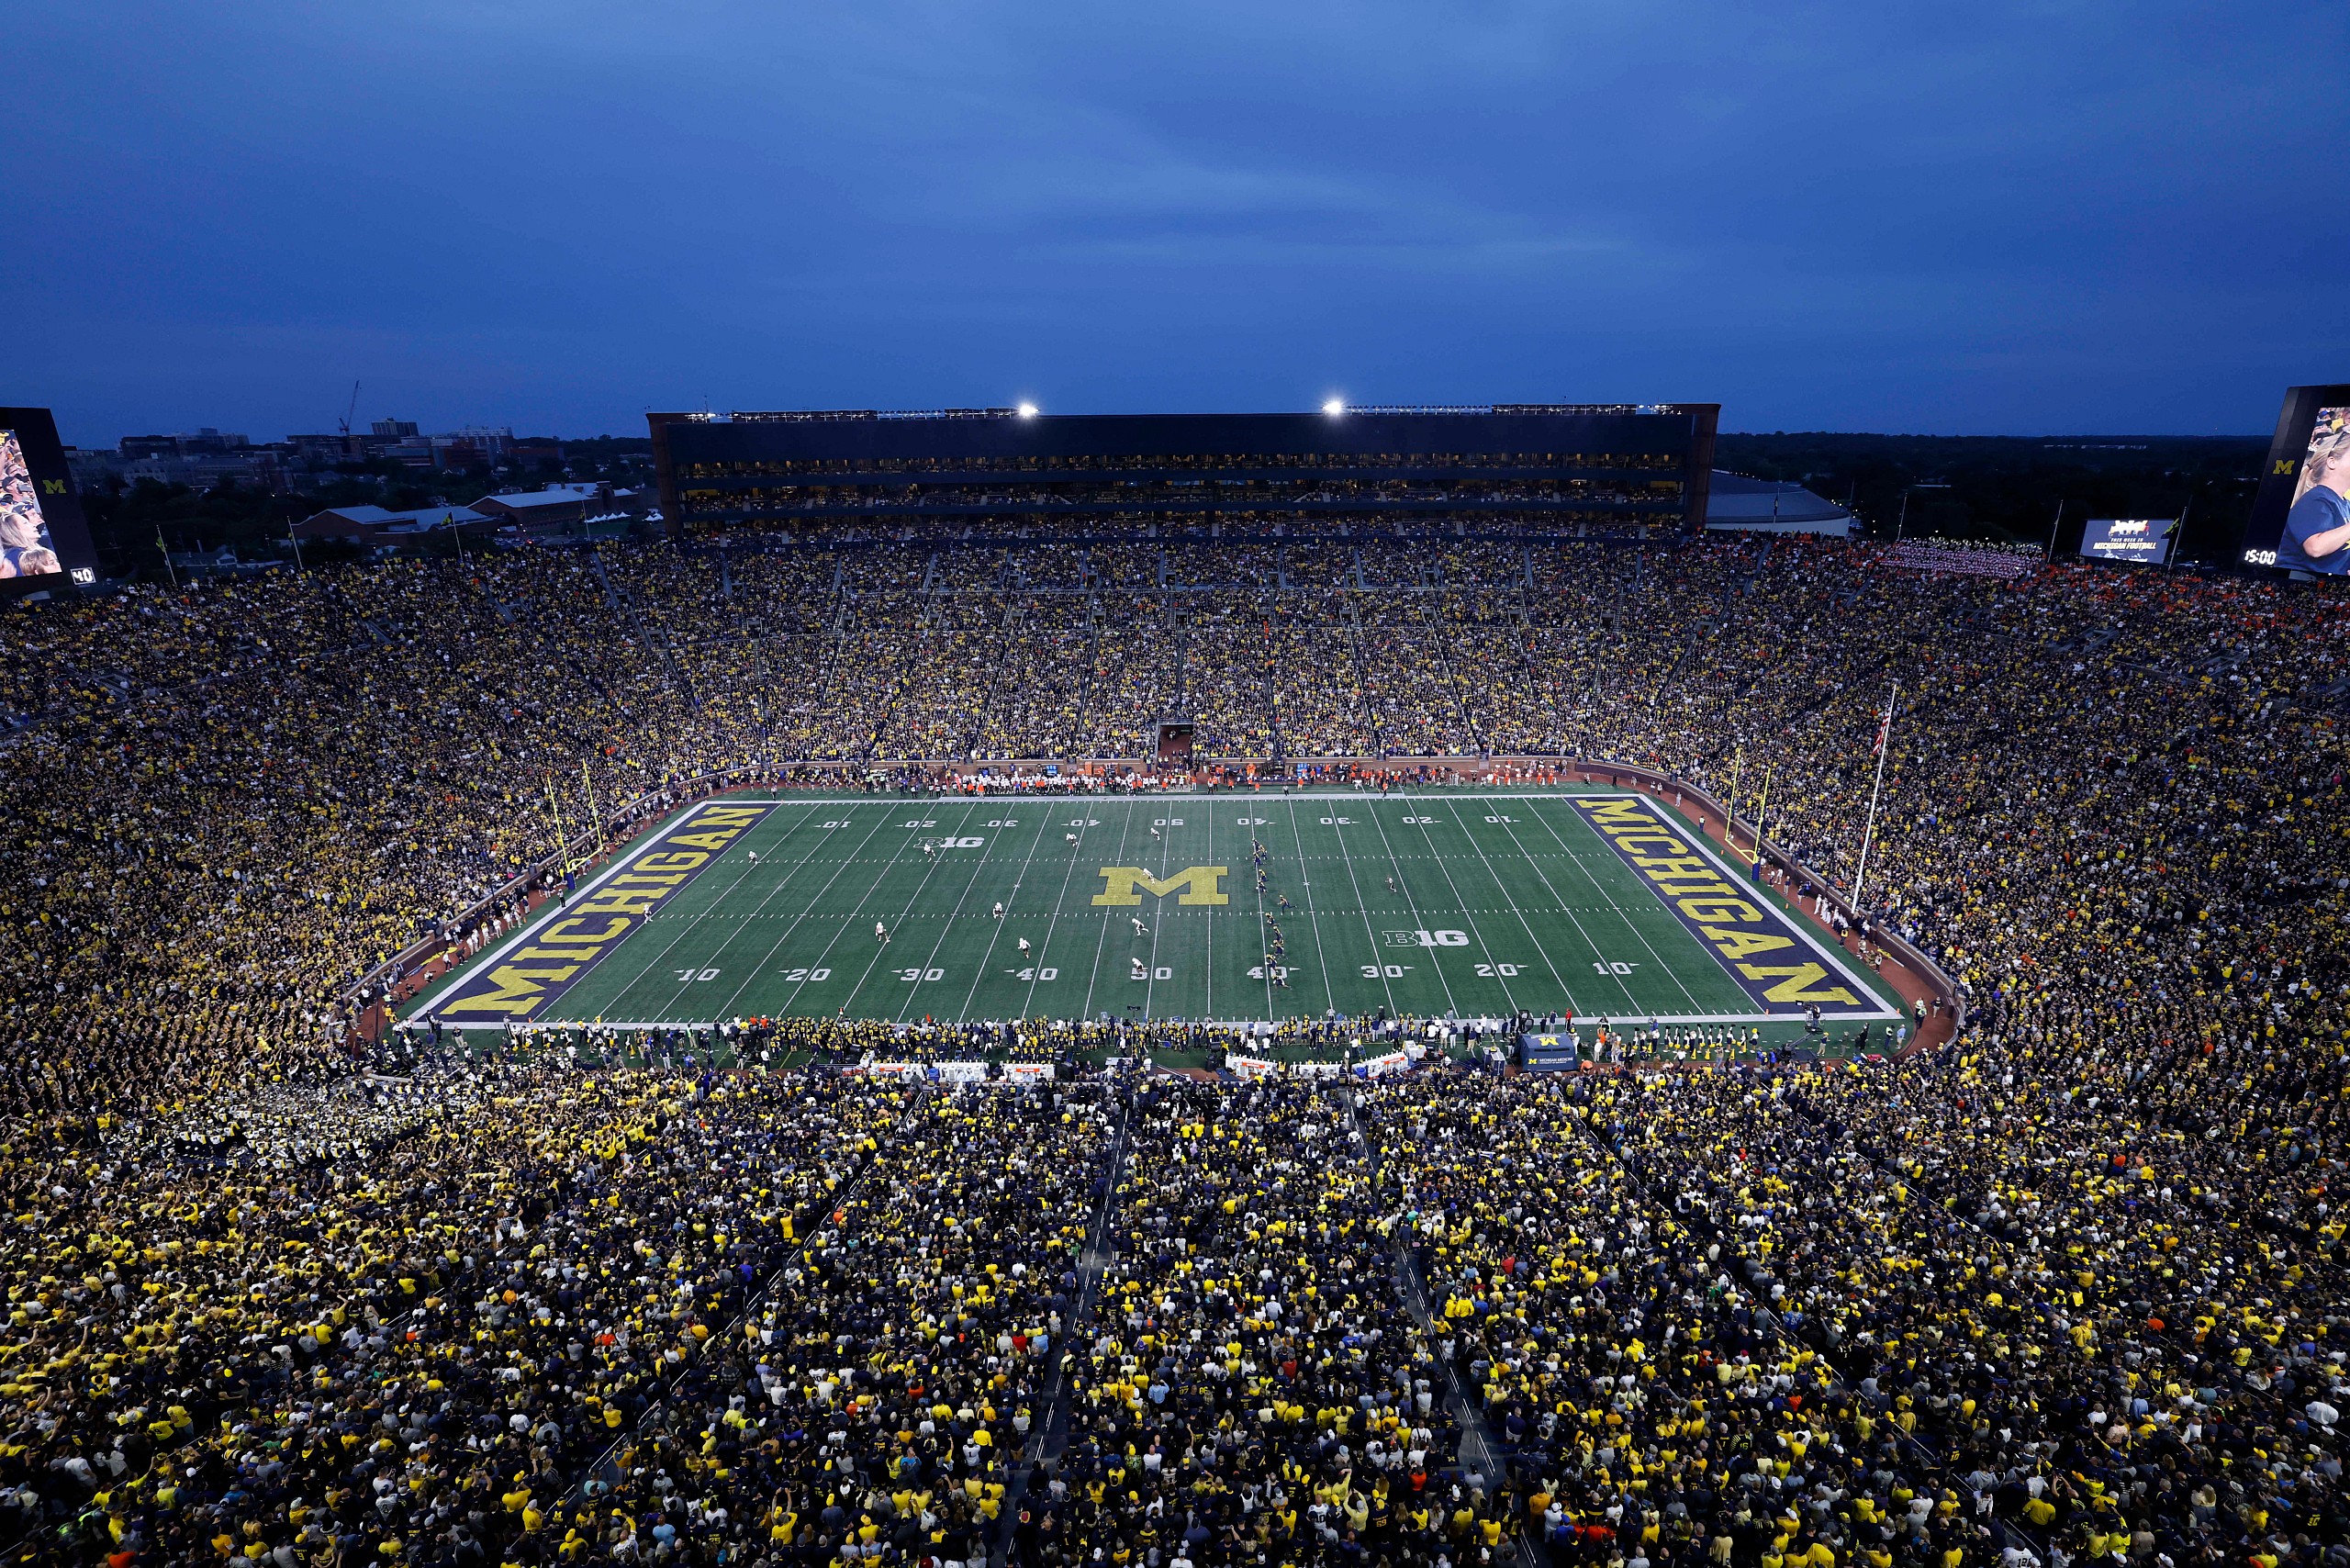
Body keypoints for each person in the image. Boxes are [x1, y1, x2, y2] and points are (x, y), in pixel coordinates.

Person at [2277, 413, 2350, 573]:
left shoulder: (2344, 504)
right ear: (2332, 462)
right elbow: (2315, 547)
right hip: (2295, 581)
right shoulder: (2315, 500)